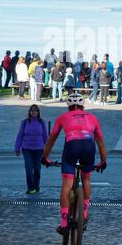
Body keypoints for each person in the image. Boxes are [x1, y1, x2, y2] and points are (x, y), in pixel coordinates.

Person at [41, 92, 107, 235]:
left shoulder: (63, 117)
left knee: (67, 186)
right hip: (88, 148)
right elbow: (100, 142)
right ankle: (84, 212)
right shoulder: (93, 118)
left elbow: (51, 140)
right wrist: (103, 161)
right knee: (87, 179)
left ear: (68, 106)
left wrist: (44, 157)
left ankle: (64, 223)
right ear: (82, 105)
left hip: (71, 147)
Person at [14, 104, 48, 194]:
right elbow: (20, 135)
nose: (34, 112)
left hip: (39, 149)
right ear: (29, 112)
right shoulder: (24, 122)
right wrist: (17, 148)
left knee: (37, 169)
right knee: (29, 169)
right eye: (32, 110)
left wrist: (47, 149)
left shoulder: (42, 122)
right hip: (27, 148)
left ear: (38, 112)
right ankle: (30, 187)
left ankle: (36, 185)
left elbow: (45, 136)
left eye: (35, 110)